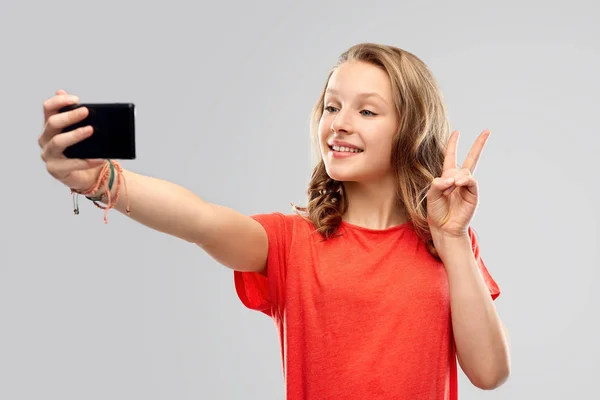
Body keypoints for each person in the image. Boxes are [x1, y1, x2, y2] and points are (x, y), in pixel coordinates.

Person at [38, 43, 510, 399]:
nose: (339, 123)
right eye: (331, 106)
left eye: (366, 110)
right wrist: (101, 178)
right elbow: (201, 220)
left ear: (409, 129)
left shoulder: (447, 244)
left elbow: (489, 373)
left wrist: (453, 239)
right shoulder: (291, 242)